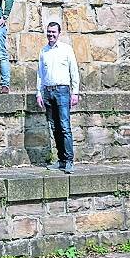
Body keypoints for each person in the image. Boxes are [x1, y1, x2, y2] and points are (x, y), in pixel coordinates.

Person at [36, 22, 80, 174]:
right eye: (49, 32)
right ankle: (61, 160)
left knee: (65, 127)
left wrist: (75, 92)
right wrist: (39, 93)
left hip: (62, 91)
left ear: (59, 33)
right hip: (48, 92)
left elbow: (74, 71)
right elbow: (40, 74)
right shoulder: (43, 51)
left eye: (53, 32)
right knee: (54, 127)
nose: (51, 34)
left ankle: (69, 161)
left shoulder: (66, 49)